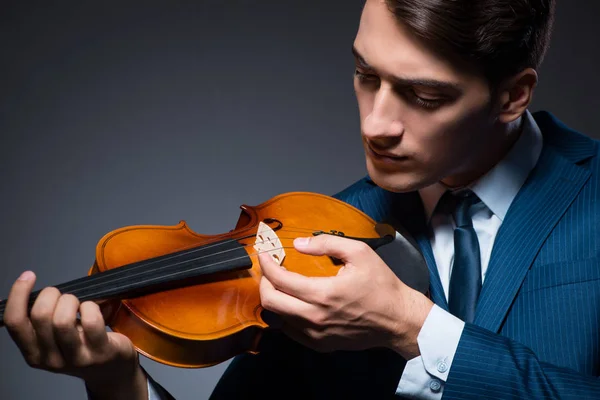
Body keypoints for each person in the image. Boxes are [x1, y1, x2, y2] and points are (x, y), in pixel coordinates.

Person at [3, 0, 600, 398]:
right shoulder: (316, 230)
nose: (376, 124)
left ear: (512, 96)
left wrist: (414, 328)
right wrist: (117, 382)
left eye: (422, 95)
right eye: (367, 75)